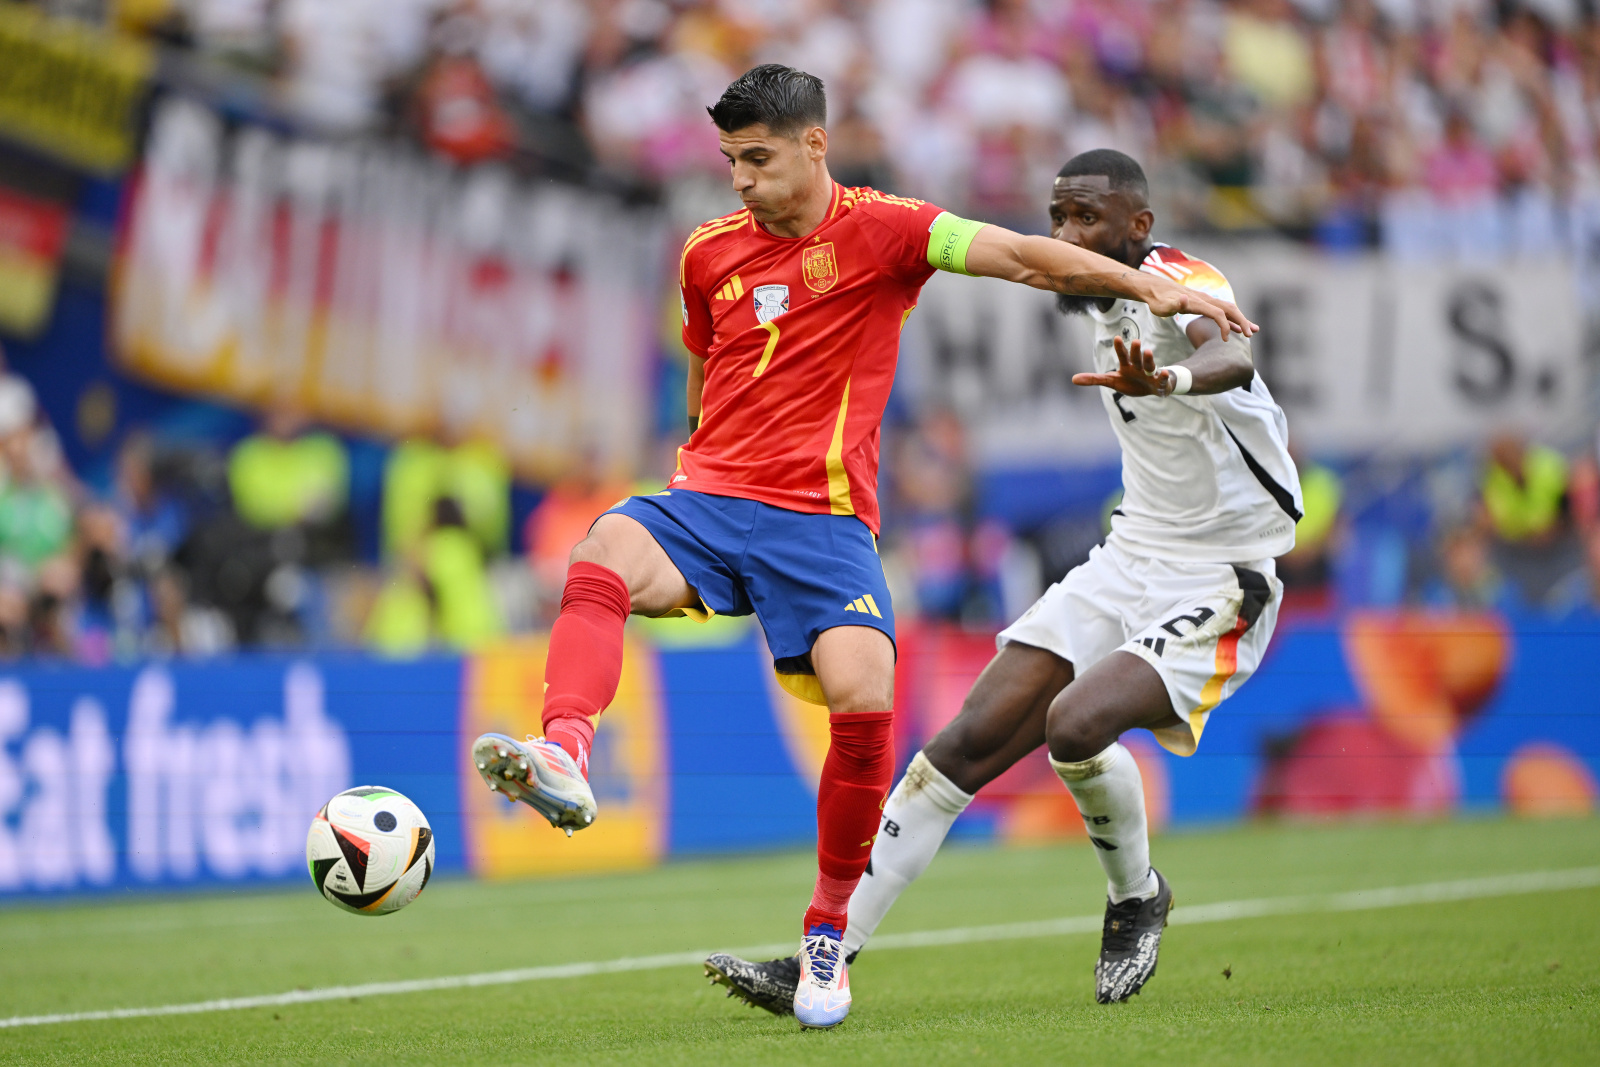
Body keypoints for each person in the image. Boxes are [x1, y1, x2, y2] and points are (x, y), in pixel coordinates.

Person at [468, 72, 1253, 1030]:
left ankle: (828, 936)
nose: (742, 183)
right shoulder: (707, 253)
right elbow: (703, 371)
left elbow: (1013, 254)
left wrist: (1144, 284)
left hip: (827, 526)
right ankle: (564, 752)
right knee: (597, 559)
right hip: (711, 500)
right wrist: (701, 461)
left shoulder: (891, 228)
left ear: (814, 145)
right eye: (731, 162)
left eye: (758, 160)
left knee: (868, 699)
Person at [704, 148, 1297, 1011]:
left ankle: (1137, 896)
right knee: (953, 752)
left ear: (1140, 227)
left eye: (1086, 219)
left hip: (1222, 575)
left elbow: (1229, 357)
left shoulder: (1181, 277)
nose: (1067, 235)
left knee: (1075, 724)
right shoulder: (1101, 300)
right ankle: (821, 958)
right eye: (1059, 216)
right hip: (1130, 556)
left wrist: (1168, 375)